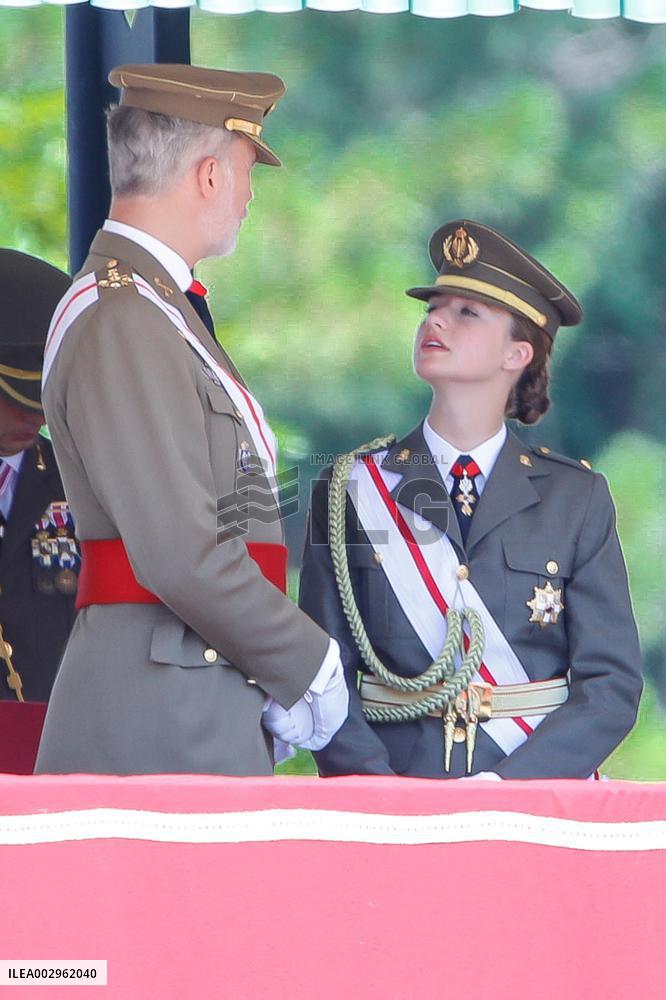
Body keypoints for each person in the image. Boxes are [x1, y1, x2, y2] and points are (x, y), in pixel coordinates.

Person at [35, 64, 348, 776]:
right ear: (209, 175)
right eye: (246, 174)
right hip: (161, 709)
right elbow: (181, 551)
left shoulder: (149, 307)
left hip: (191, 687)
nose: (247, 200)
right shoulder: (125, 316)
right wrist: (305, 661)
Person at [300, 219, 642, 780]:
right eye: (434, 306)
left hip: (529, 809)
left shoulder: (575, 499)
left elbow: (611, 685)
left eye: (467, 312)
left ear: (517, 354)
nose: (435, 319)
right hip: (393, 805)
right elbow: (322, 673)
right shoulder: (349, 489)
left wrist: (511, 792)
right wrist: (379, 796)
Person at [0, 250, 76, 706]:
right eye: (17, 396)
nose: (38, 416)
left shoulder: (77, 482)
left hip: (50, 753)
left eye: (44, 396)